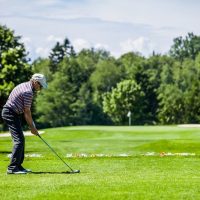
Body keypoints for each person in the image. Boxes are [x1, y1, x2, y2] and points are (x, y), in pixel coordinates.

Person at [1, 73, 47, 174]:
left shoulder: (24, 85)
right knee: (19, 140)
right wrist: (32, 127)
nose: (41, 88)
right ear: (35, 82)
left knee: (20, 139)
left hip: (11, 112)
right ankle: (12, 168)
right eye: (40, 85)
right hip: (10, 113)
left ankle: (18, 166)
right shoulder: (28, 92)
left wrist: (32, 127)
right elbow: (27, 112)